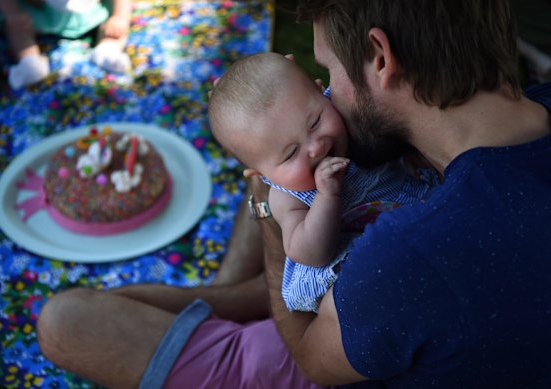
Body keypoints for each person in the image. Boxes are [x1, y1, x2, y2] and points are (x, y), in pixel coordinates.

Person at [36, 0, 551, 388]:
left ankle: (237, 297)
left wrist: (267, 206)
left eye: (330, 71)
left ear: (379, 57)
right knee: (283, 152)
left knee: (64, 320)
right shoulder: (531, 112)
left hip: (317, 345)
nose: (329, 91)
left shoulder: (413, 254)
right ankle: (235, 294)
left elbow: (309, 355)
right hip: (370, 306)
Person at [209, 51, 436, 313]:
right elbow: (309, 253)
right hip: (359, 267)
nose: (315, 147)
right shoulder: (287, 197)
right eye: (291, 153)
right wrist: (328, 197)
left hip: (413, 207)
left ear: (321, 92)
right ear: (261, 175)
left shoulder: (347, 115)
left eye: (315, 122)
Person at [0, 0, 132, 89]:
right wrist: (12, 13)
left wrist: (119, 17)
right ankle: (29, 61)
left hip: (92, 13)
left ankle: (109, 47)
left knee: (117, 24)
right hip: (40, 13)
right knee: (16, 27)